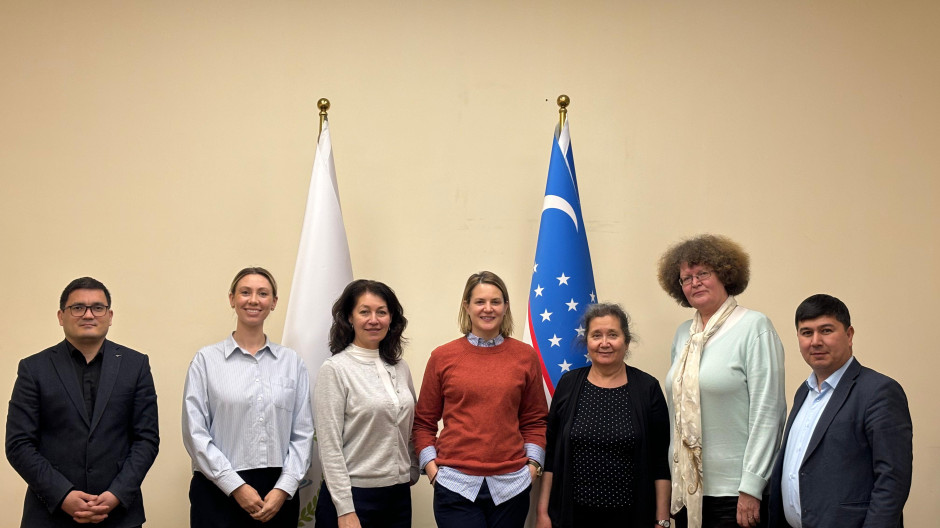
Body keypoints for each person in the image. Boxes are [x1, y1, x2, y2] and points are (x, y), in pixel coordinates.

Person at [5, 276, 160, 528]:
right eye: (77, 308)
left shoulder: (136, 365)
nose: (88, 315)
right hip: (50, 515)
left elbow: (147, 439)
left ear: (109, 316)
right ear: (60, 316)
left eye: (97, 307)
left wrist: (116, 495)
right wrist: (62, 495)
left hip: (118, 515)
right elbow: (18, 444)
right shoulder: (34, 368)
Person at [656, 235, 786, 528]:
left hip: (736, 494)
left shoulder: (755, 327)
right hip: (688, 491)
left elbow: (769, 412)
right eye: (686, 278)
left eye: (703, 273)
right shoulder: (683, 335)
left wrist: (752, 486)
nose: (695, 282)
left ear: (725, 274)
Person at [413, 271, 548, 528]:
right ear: (466, 305)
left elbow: (535, 420)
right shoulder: (443, 357)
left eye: (496, 302)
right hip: (455, 486)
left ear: (506, 306)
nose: (488, 309)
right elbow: (423, 423)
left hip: (512, 486)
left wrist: (532, 467)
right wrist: (432, 471)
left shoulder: (525, 356)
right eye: (480, 302)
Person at [182, 267, 314, 528]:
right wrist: (236, 486)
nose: (254, 300)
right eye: (245, 292)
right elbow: (194, 433)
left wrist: (284, 489)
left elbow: (303, 433)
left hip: (278, 494)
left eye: (263, 293)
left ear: (273, 302)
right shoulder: (206, 361)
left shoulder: (291, 362)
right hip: (217, 490)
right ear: (232, 299)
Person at [768, 294, 912, 528]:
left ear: (849, 335)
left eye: (826, 330)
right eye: (806, 332)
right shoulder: (803, 393)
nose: (815, 341)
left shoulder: (879, 391)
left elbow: (892, 480)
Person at [536, 303, 671, 528]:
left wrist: (662, 519)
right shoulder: (569, 385)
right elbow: (551, 457)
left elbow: (660, 461)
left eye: (613, 335)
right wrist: (542, 513)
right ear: (586, 343)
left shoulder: (648, 389)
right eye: (596, 335)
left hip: (632, 518)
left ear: (626, 341)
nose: (604, 343)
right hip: (572, 517)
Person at [314, 279, 418, 528]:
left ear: (391, 318)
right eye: (364, 312)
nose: (374, 319)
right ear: (350, 317)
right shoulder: (335, 369)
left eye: (381, 312)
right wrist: (345, 508)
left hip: (398, 497)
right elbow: (330, 447)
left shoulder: (400, 367)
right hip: (353, 498)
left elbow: (411, 425)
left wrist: (411, 469)